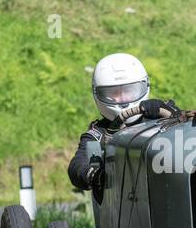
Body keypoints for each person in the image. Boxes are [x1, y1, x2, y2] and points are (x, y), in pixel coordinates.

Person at [68, 53, 180, 192]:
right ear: (98, 94)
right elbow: (76, 167)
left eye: (129, 91)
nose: (122, 98)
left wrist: (170, 113)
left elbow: (192, 133)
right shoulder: (98, 135)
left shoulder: (164, 115)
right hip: (124, 203)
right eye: (113, 93)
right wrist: (94, 174)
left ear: (144, 86)